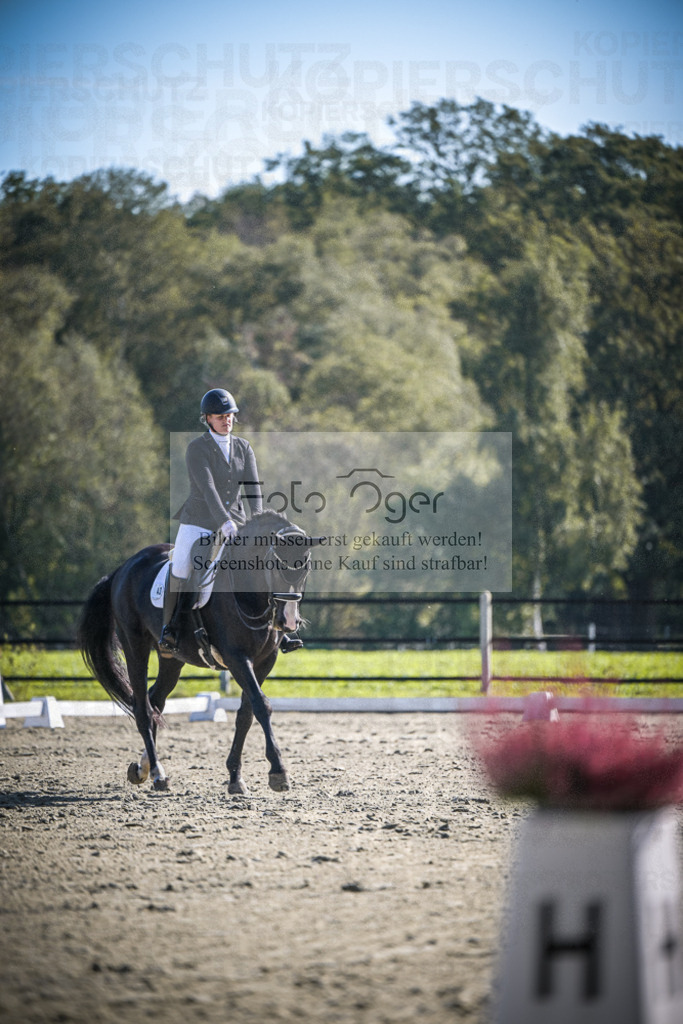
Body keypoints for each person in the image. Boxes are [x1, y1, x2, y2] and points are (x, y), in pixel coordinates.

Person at [158, 388, 303, 654]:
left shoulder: (243, 448)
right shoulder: (197, 449)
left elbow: (253, 489)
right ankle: (170, 629)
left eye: (230, 415)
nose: (227, 420)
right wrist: (224, 521)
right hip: (199, 522)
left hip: (238, 523)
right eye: (220, 416)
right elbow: (208, 489)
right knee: (180, 566)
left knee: (263, 566)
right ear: (208, 418)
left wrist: (257, 524)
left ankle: (279, 630)